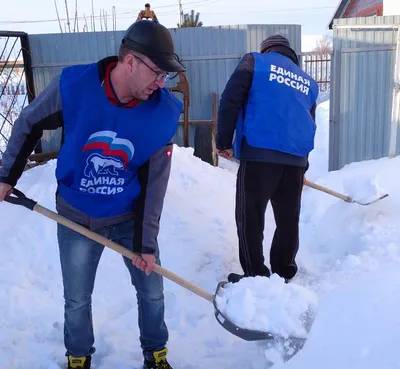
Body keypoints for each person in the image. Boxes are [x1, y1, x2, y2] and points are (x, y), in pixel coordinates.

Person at [0, 20, 185, 369]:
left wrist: (145, 244)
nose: (162, 83)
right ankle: (78, 358)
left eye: (167, 76)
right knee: (77, 299)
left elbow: (155, 184)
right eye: (158, 73)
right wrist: (6, 175)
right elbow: (29, 122)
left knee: (152, 291)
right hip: (75, 212)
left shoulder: (161, 113)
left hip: (128, 216)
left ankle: (156, 353)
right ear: (130, 61)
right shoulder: (74, 87)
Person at [216, 35, 319, 284]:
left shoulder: (255, 62)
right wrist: (303, 164)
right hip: (295, 158)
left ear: (268, 50)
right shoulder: (308, 82)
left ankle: (255, 274)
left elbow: (230, 100)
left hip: (260, 153)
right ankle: (284, 269)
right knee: (288, 217)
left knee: (251, 215)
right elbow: (308, 121)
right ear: (291, 55)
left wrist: (223, 142)